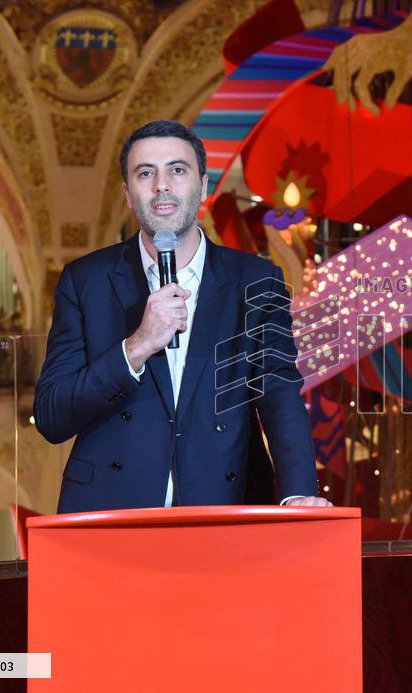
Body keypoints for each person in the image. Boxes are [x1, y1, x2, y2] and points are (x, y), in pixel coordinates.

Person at [34, 120, 330, 513]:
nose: (161, 186)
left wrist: (297, 493)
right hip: (111, 511)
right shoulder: (85, 280)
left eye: (177, 170)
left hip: (227, 505)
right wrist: (136, 347)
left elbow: (278, 394)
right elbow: (52, 416)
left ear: (203, 187)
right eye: (145, 173)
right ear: (127, 193)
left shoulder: (256, 280)